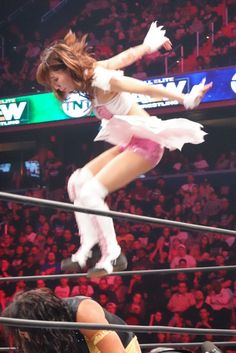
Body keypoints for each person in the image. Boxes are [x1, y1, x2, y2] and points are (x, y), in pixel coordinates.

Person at [36, 22, 212, 277]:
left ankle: (113, 255)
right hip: (130, 142)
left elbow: (143, 88)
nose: (57, 88)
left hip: (147, 146)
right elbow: (124, 57)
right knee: (77, 182)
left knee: (91, 193)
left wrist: (183, 98)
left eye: (55, 79)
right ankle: (86, 249)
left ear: (66, 68)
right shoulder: (91, 73)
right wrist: (147, 46)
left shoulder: (101, 80)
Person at [2, 287, 141, 353]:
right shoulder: (38, 336)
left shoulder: (83, 311)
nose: (25, 336)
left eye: (27, 333)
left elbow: (115, 351)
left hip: (120, 347)